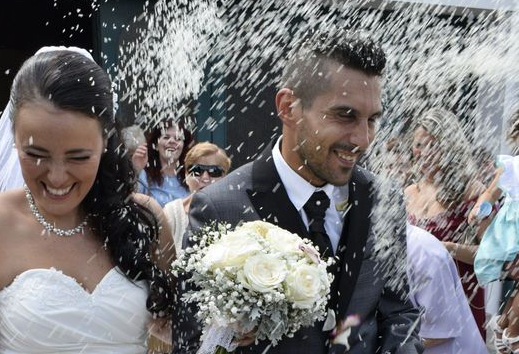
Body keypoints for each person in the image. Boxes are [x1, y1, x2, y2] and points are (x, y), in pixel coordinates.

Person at [173, 33, 422, 353]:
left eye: (371, 119)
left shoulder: (384, 198)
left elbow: (399, 311)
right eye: (345, 115)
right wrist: (227, 331)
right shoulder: (220, 206)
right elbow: (192, 341)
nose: (362, 139)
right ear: (288, 107)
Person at [0, 48, 175, 354]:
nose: (58, 177)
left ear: (104, 142)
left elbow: (175, 336)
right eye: (35, 155)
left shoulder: (144, 217)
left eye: (79, 157)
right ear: (14, 139)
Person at [404, 108, 487, 340]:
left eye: (433, 146)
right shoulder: (409, 192)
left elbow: (490, 256)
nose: (424, 154)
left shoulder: (471, 191)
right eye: (419, 146)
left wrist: (448, 248)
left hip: (460, 301)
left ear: (450, 148)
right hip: (417, 302)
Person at [469, 108, 519, 353]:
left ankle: (504, 325)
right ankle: (510, 332)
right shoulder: (511, 166)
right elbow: (490, 193)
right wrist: (480, 207)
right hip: (511, 232)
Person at [406, 224, 488, 353]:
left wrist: (449, 248)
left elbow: (440, 332)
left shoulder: (424, 253)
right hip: (440, 282)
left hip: (462, 283)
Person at [163, 142, 231, 253]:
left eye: (214, 171)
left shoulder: (233, 211)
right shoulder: (171, 212)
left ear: (225, 176)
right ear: (186, 174)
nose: (205, 178)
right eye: (197, 170)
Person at [134, 120, 193, 206]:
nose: (172, 141)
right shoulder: (144, 175)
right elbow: (130, 200)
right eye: (166, 137)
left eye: (178, 138)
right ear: (156, 145)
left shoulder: (192, 175)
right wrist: (136, 169)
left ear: (183, 146)